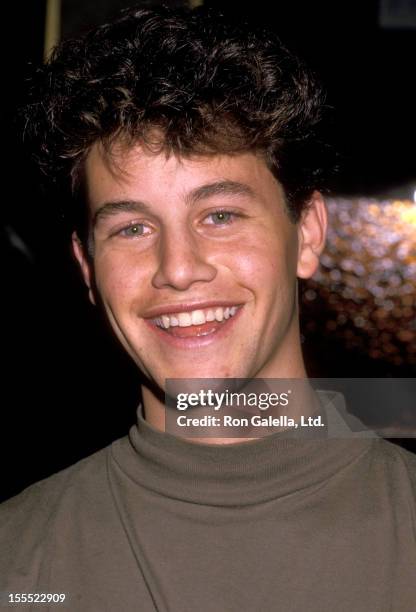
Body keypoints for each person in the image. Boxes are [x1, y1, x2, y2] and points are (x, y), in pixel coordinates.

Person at [1, 6, 415, 611]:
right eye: (132, 228)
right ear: (88, 267)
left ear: (306, 234)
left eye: (220, 216)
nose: (178, 267)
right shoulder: (15, 562)